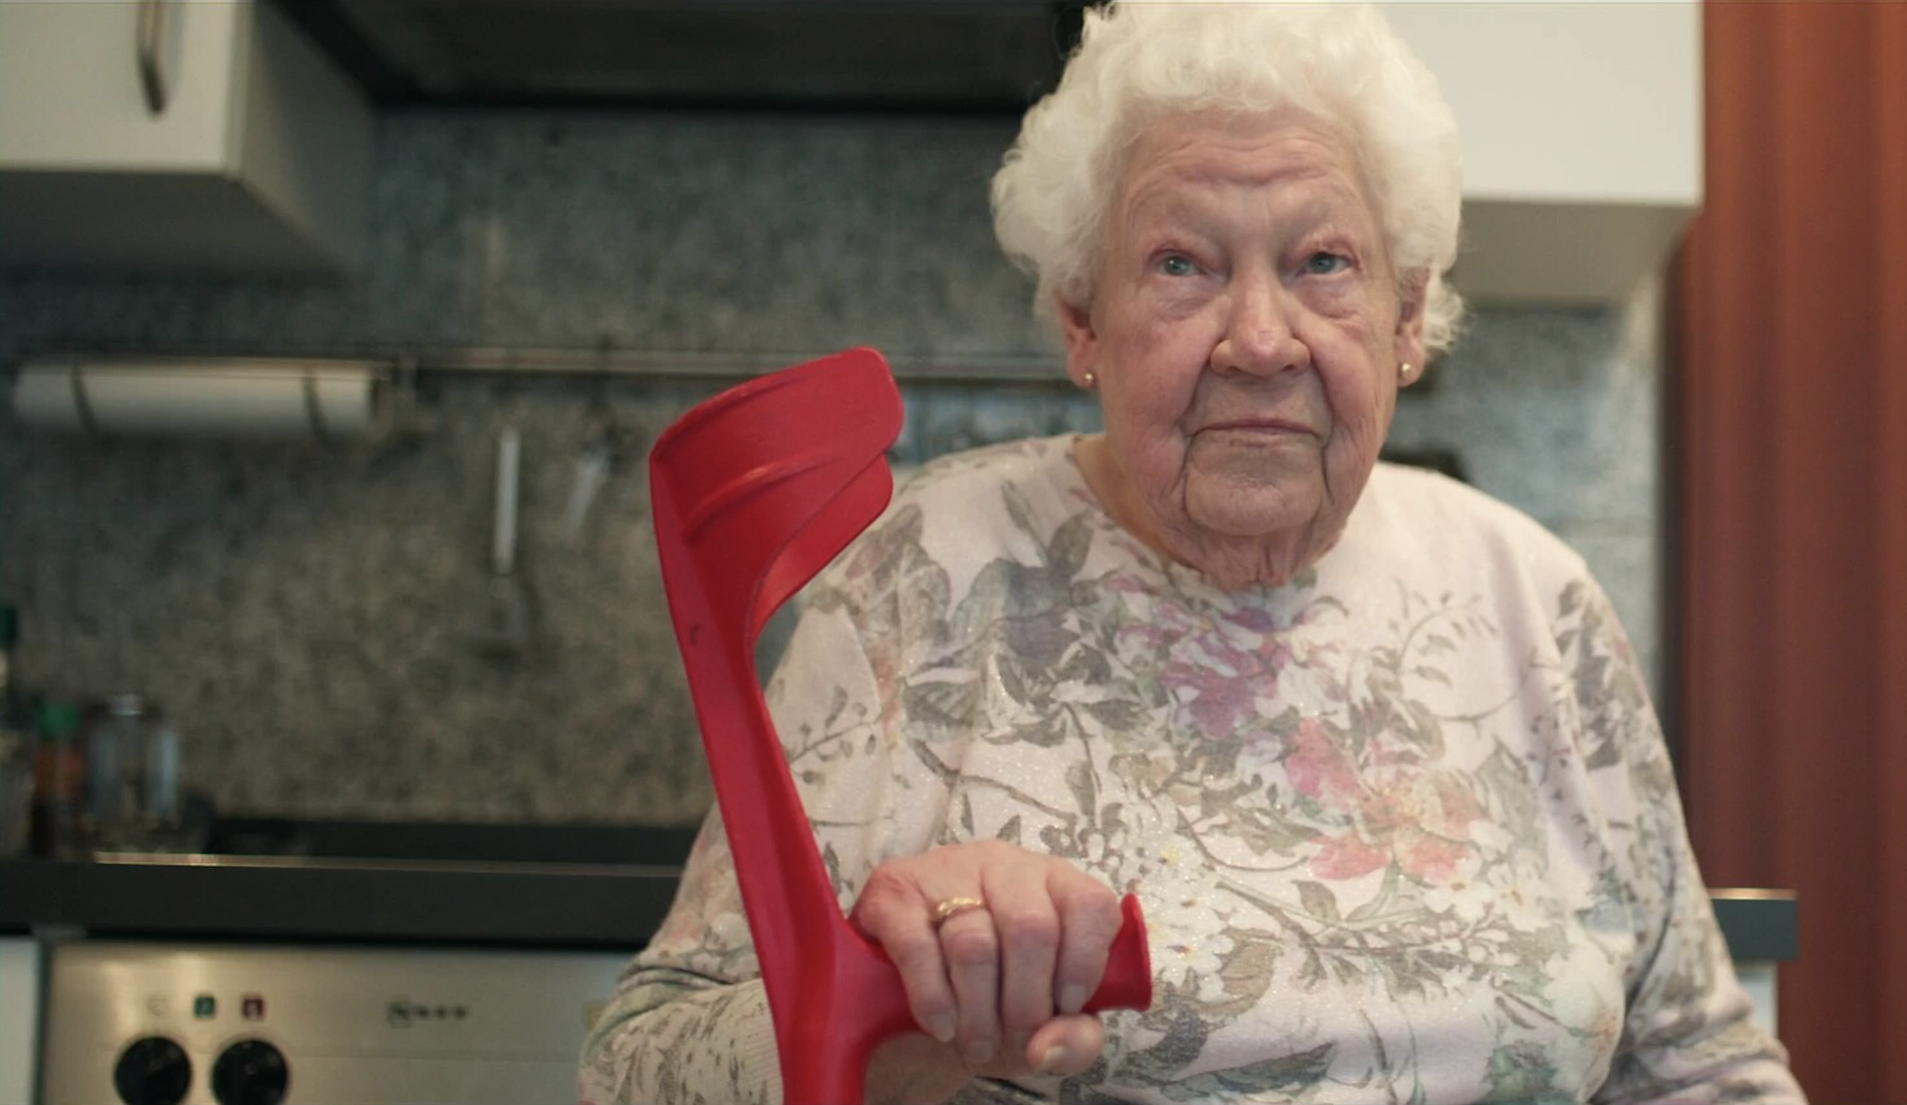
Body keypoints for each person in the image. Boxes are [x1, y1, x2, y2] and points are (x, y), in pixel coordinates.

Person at [580, 2, 1802, 1102]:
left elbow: (1700, 1064)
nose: (1260, 339)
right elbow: (634, 1069)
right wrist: (892, 1029)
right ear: (1083, 318)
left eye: (1323, 263)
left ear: (1405, 313)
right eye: (1182, 264)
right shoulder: (928, 573)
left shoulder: (1533, 598)